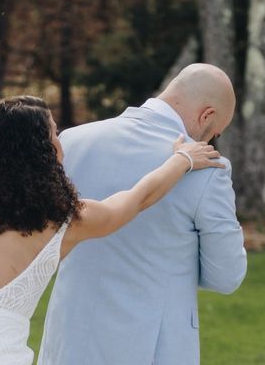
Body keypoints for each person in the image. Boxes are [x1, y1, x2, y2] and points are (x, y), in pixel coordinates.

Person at [0, 95, 223, 365]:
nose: (59, 140)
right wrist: (182, 160)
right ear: (41, 150)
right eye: (53, 133)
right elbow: (134, 201)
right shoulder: (64, 219)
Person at [39, 63, 248, 365]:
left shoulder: (72, 142)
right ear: (207, 115)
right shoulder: (209, 170)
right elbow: (225, 276)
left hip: (69, 340)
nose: (210, 140)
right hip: (154, 348)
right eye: (215, 132)